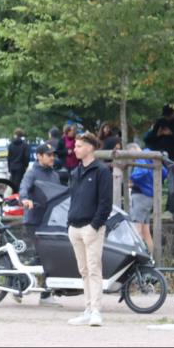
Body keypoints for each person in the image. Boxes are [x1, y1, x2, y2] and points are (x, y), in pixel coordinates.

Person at [66, 133, 112, 327]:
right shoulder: (75, 172)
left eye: (78, 146)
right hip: (74, 228)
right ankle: (87, 309)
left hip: (91, 228)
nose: (74, 149)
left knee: (94, 270)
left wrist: (94, 226)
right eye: (75, 145)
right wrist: (68, 224)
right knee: (84, 271)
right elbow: (73, 199)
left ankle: (96, 312)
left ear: (90, 147)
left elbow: (105, 203)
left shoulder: (102, 171)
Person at [18, 143, 59, 306]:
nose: (52, 158)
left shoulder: (55, 175)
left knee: (50, 258)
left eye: (53, 155)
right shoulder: (31, 173)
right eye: (49, 155)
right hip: (34, 222)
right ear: (39, 156)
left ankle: (45, 295)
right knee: (39, 257)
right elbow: (23, 188)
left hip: (50, 222)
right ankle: (19, 284)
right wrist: (25, 199)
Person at [127, 142, 167, 254]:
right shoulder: (152, 155)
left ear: (134, 150)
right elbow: (164, 172)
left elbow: (142, 171)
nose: (132, 160)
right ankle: (152, 259)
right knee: (146, 232)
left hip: (140, 196)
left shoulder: (141, 156)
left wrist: (131, 179)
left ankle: (138, 259)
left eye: (131, 156)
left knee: (137, 229)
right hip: (150, 196)